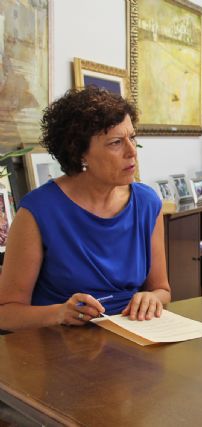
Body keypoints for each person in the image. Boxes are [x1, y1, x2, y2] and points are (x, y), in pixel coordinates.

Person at [0, 86, 171, 331]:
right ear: (80, 153)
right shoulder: (38, 212)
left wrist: (152, 298)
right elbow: (6, 314)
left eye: (132, 138)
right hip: (61, 346)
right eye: (115, 142)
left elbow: (162, 289)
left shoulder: (147, 203)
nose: (132, 151)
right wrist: (59, 313)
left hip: (134, 337)